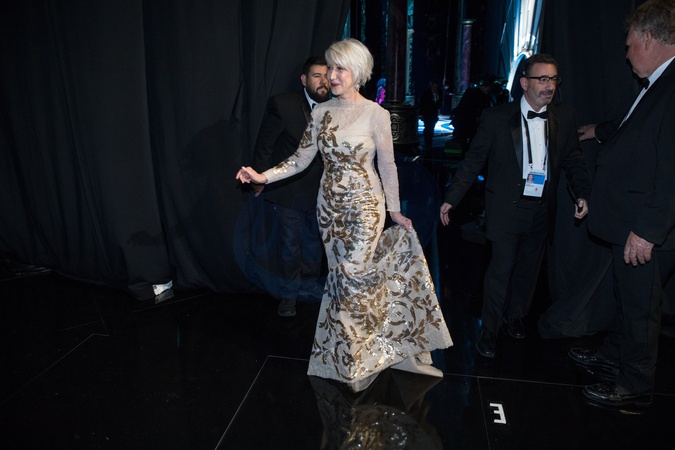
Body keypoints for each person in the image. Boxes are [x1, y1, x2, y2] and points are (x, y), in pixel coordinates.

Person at [237, 38, 453, 392]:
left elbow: (387, 166)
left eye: (339, 69)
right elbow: (300, 160)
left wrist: (394, 211)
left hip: (365, 208)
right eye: (329, 69)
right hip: (329, 211)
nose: (331, 76)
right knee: (344, 281)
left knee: (353, 279)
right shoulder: (321, 113)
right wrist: (262, 176)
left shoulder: (376, 114)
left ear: (358, 72)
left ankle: (360, 361)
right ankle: (357, 353)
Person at [439, 54, 591, 358]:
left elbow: (573, 159)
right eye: (543, 79)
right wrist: (451, 197)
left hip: (542, 209)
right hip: (506, 208)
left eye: (554, 79)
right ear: (524, 83)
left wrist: (581, 194)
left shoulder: (565, 117)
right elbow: (473, 160)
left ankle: (515, 317)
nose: (550, 86)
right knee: (501, 270)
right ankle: (489, 330)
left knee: (528, 270)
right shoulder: (496, 118)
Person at [568, 0, 675, 409]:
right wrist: (600, 131)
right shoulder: (658, 84)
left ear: (647, 38)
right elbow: (639, 131)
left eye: (629, 45)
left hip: (646, 227)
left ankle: (634, 384)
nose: (627, 54)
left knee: (640, 308)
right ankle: (613, 355)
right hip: (628, 220)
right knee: (625, 297)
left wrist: (648, 231)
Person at [250, 56, 329, 317]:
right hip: (288, 190)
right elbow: (265, 145)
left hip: (322, 193)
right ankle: (289, 295)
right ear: (304, 80)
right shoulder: (283, 104)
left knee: (314, 244)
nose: (323, 81)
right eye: (317, 76)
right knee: (289, 247)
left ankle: (309, 285)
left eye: (326, 76)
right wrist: (259, 180)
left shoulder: (336, 107)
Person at [450, 75, 495, 156]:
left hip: (468, 122)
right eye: (487, 89)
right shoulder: (478, 96)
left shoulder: (473, 93)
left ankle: (466, 154)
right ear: (485, 87)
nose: (487, 91)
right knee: (468, 139)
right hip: (469, 122)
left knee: (466, 140)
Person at [419, 80, 443, 151]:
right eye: (434, 87)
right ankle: (427, 143)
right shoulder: (426, 93)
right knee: (427, 128)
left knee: (431, 128)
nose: (435, 88)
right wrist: (421, 114)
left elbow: (439, 102)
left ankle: (429, 142)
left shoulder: (439, 93)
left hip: (434, 114)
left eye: (436, 87)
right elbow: (422, 103)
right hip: (427, 113)